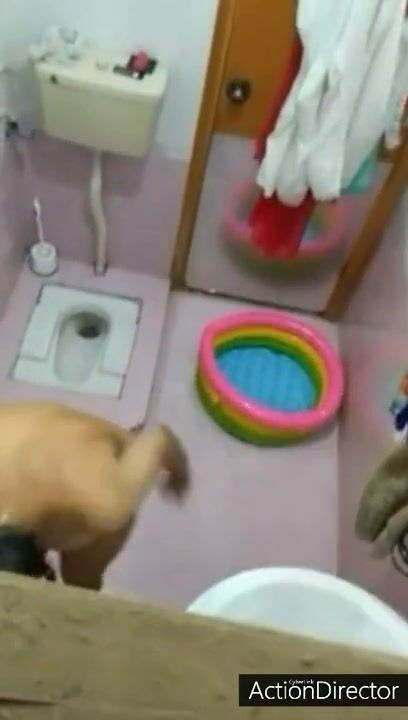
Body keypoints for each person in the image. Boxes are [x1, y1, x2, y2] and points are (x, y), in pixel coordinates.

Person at [0, 401, 190, 589]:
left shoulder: (102, 503)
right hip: (40, 471)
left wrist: (175, 465)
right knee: (81, 582)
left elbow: (156, 440)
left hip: (80, 464)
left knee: (83, 578)